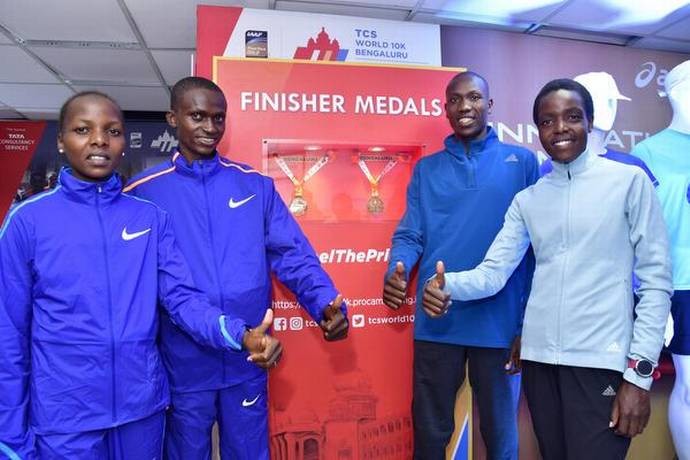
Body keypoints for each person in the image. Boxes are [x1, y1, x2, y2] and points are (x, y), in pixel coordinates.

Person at [0, 92, 281, 459]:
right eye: (83, 130)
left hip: (141, 411)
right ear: (61, 140)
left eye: (112, 131)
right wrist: (10, 438)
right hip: (66, 417)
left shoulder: (148, 217)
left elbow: (182, 299)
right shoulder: (27, 221)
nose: (99, 140)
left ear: (123, 142)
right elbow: (8, 334)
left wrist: (239, 334)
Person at [425, 79, 672, 459]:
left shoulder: (628, 182)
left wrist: (639, 376)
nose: (559, 129)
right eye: (547, 121)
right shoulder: (529, 199)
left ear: (590, 122)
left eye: (572, 117)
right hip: (540, 364)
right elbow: (493, 273)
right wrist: (444, 285)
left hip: (601, 362)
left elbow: (656, 282)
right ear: (538, 129)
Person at [124, 77, 348, 460]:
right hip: (184, 363)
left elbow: (293, 255)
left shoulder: (255, 186)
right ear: (173, 118)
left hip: (250, 355)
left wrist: (325, 303)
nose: (210, 127)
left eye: (218, 118)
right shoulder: (143, 193)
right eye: (197, 116)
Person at [382, 71, 539, 460]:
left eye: (473, 97)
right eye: (455, 100)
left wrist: (525, 325)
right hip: (438, 317)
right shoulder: (427, 169)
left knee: (500, 436)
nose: (464, 106)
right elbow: (410, 234)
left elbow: (536, 249)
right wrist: (397, 268)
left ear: (490, 104)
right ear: (446, 109)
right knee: (430, 433)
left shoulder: (522, 162)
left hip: (499, 323)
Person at [631, 59, 690, 460]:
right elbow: (640, 230)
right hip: (679, 283)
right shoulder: (648, 152)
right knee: (689, 385)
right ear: (675, 92)